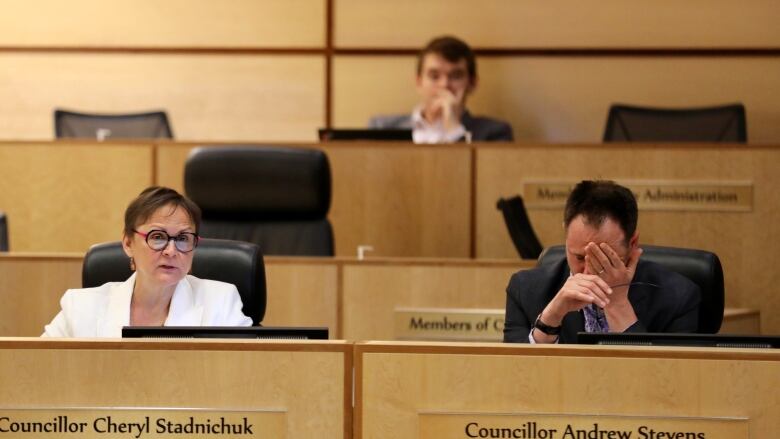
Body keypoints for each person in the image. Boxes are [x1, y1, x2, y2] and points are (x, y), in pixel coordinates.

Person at [503, 180, 701, 344]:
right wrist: (550, 319)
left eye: (603, 258)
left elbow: (667, 381)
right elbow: (517, 378)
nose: (588, 272)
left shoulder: (678, 298)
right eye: (579, 257)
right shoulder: (525, 290)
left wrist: (618, 305)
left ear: (632, 243)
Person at [43, 186, 252, 337]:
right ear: (127, 243)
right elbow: (39, 369)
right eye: (158, 237)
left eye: (182, 238)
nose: (171, 251)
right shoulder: (80, 308)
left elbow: (247, 371)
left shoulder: (220, 302)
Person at [369, 35, 513, 143]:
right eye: (434, 76)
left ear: (472, 84)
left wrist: (453, 128)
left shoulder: (495, 133)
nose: (444, 84)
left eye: (455, 76)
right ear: (419, 82)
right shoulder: (381, 127)